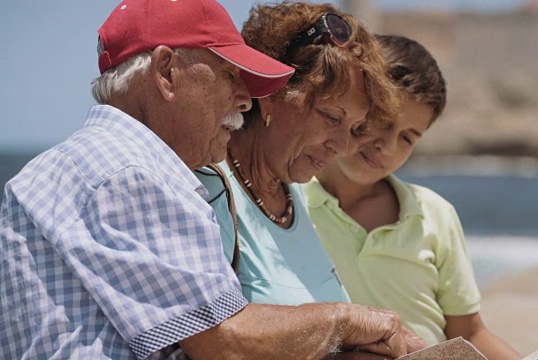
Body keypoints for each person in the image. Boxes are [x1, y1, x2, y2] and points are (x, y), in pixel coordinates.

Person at [0, 1, 412, 358]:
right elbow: (225, 342)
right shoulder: (132, 172)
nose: (245, 99)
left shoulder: (82, 163)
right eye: (229, 76)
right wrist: (348, 321)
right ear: (166, 72)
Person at [304, 35, 521, 359]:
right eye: (380, 120)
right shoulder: (288, 205)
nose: (387, 146)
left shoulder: (434, 213)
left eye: (407, 137)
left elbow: (470, 331)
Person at [194, 2, 400, 307]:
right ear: (272, 95)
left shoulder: (297, 194)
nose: (342, 146)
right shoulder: (205, 193)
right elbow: (215, 341)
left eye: (354, 127)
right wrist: (351, 324)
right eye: (331, 117)